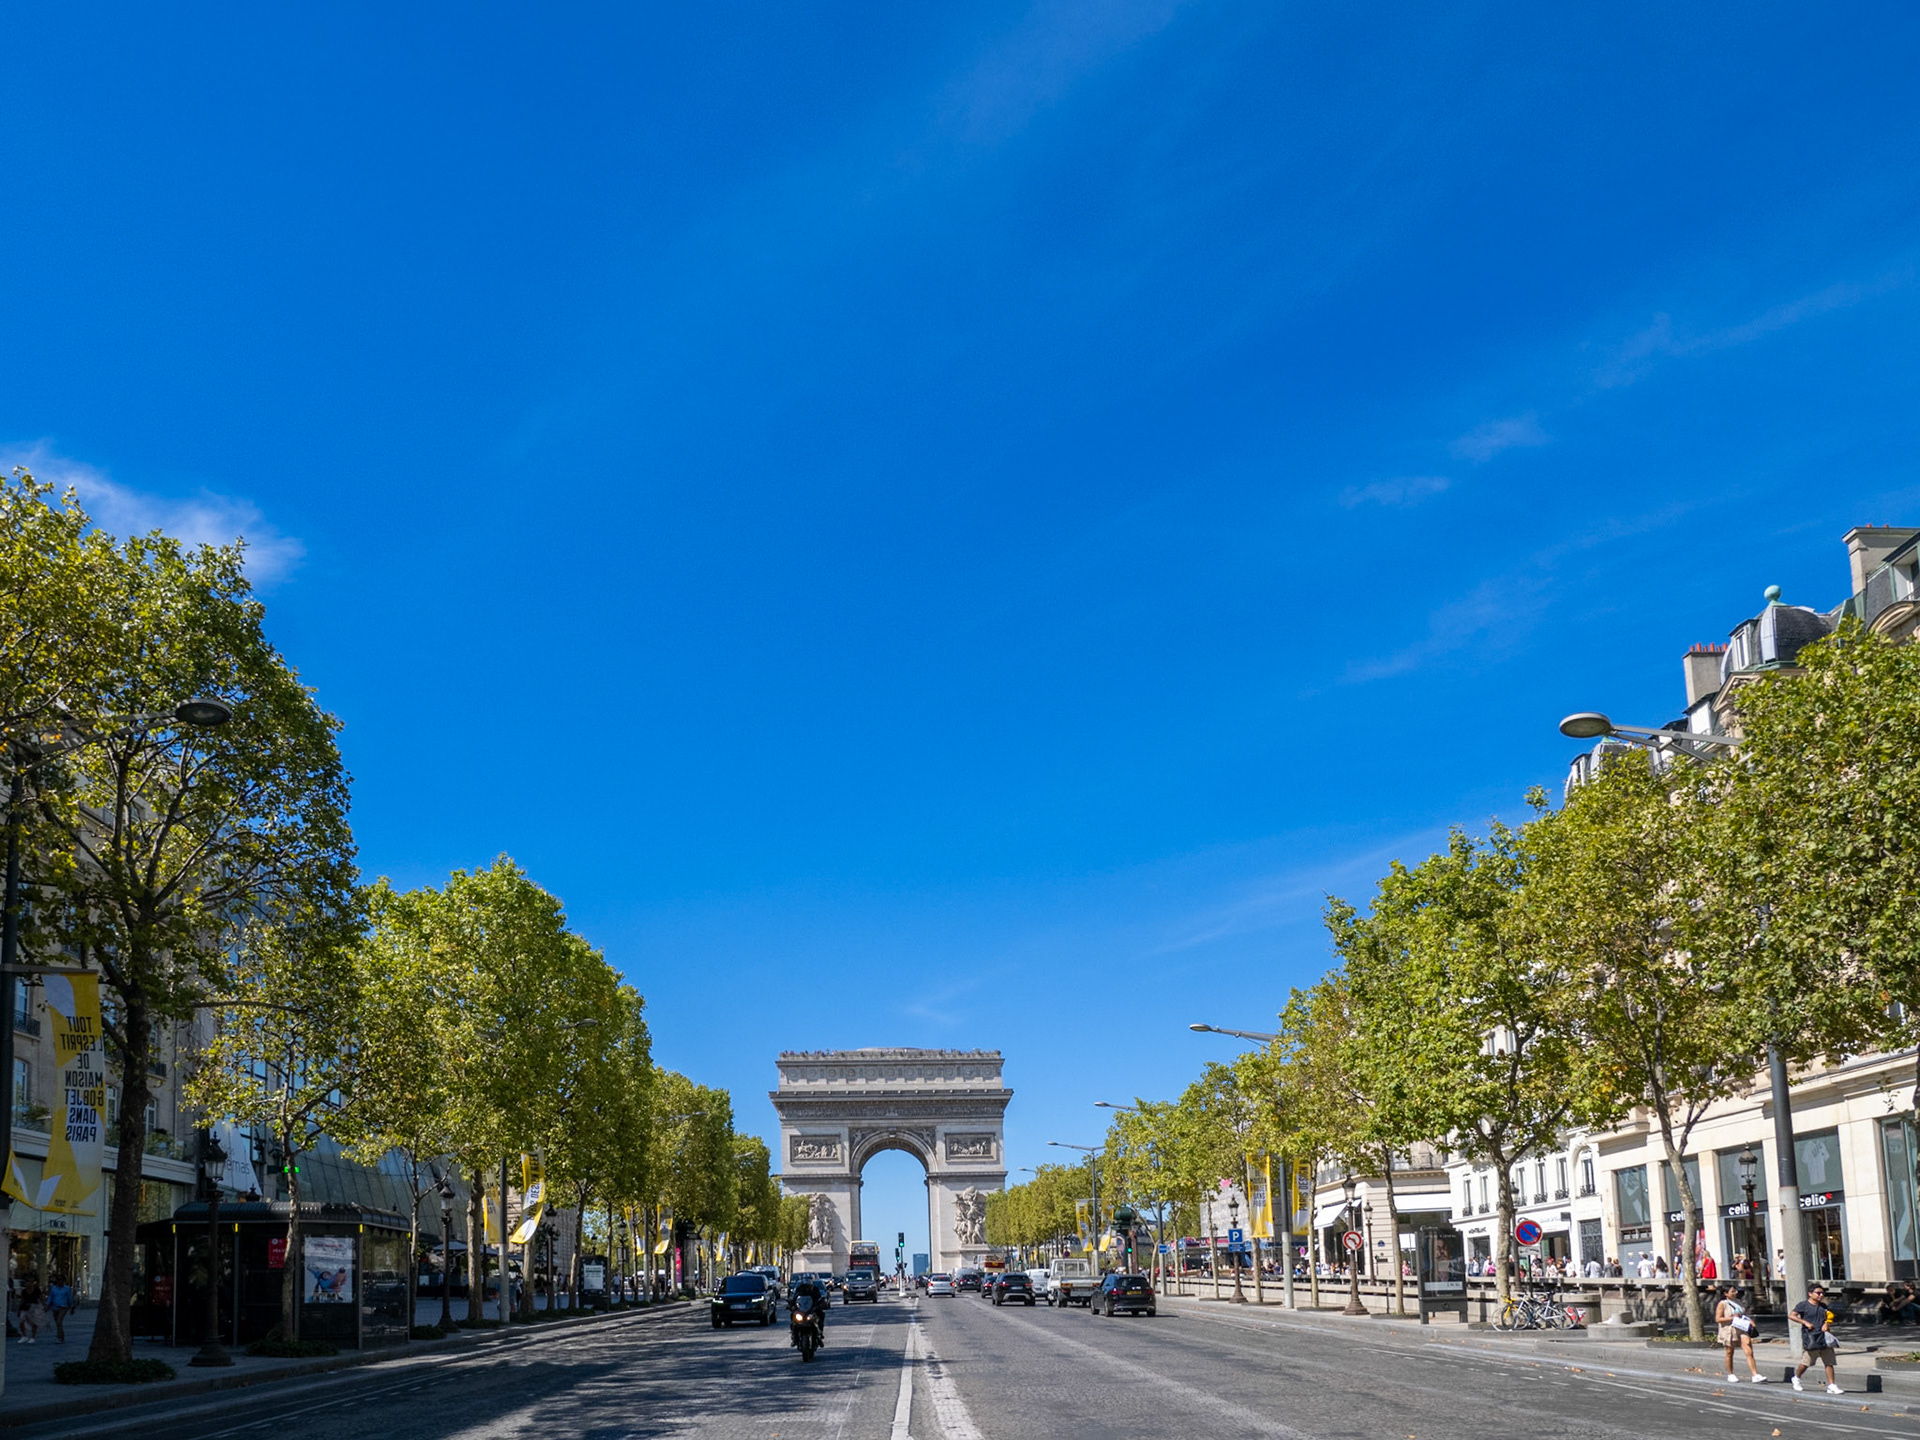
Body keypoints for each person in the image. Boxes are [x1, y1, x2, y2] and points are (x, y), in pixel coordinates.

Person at [1791, 1282, 1843, 1394]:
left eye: (1822, 1293)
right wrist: (1805, 1322)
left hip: (1824, 1336)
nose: (1821, 1295)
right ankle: (1796, 1377)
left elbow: (1828, 1317)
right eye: (1818, 1293)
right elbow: (1792, 1315)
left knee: (1829, 1362)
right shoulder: (1803, 1305)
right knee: (1807, 1362)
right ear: (1810, 1293)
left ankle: (1832, 1385)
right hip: (1811, 1337)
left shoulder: (1823, 1306)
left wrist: (1827, 1324)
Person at [1716, 1284, 1765, 1383]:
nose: (1735, 1293)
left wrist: (1750, 1320)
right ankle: (1730, 1374)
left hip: (1742, 1328)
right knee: (1730, 1352)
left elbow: (1743, 1315)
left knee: (1749, 1350)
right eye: (1732, 1291)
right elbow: (1718, 1319)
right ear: (1726, 1293)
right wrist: (1732, 1318)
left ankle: (1755, 1374)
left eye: (1735, 1291)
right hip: (1729, 1329)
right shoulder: (1723, 1303)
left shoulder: (1738, 1302)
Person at [45, 1275, 73, 1344]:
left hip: (63, 1307)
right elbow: (50, 1297)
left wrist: (72, 1306)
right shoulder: (54, 1288)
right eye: (58, 1280)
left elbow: (70, 1298)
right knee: (58, 1323)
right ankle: (62, 1335)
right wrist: (47, 1305)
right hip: (55, 1307)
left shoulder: (67, 1289)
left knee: (59, 1322)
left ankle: (59, 1337)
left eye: (61, 1280)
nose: (60, 1282)